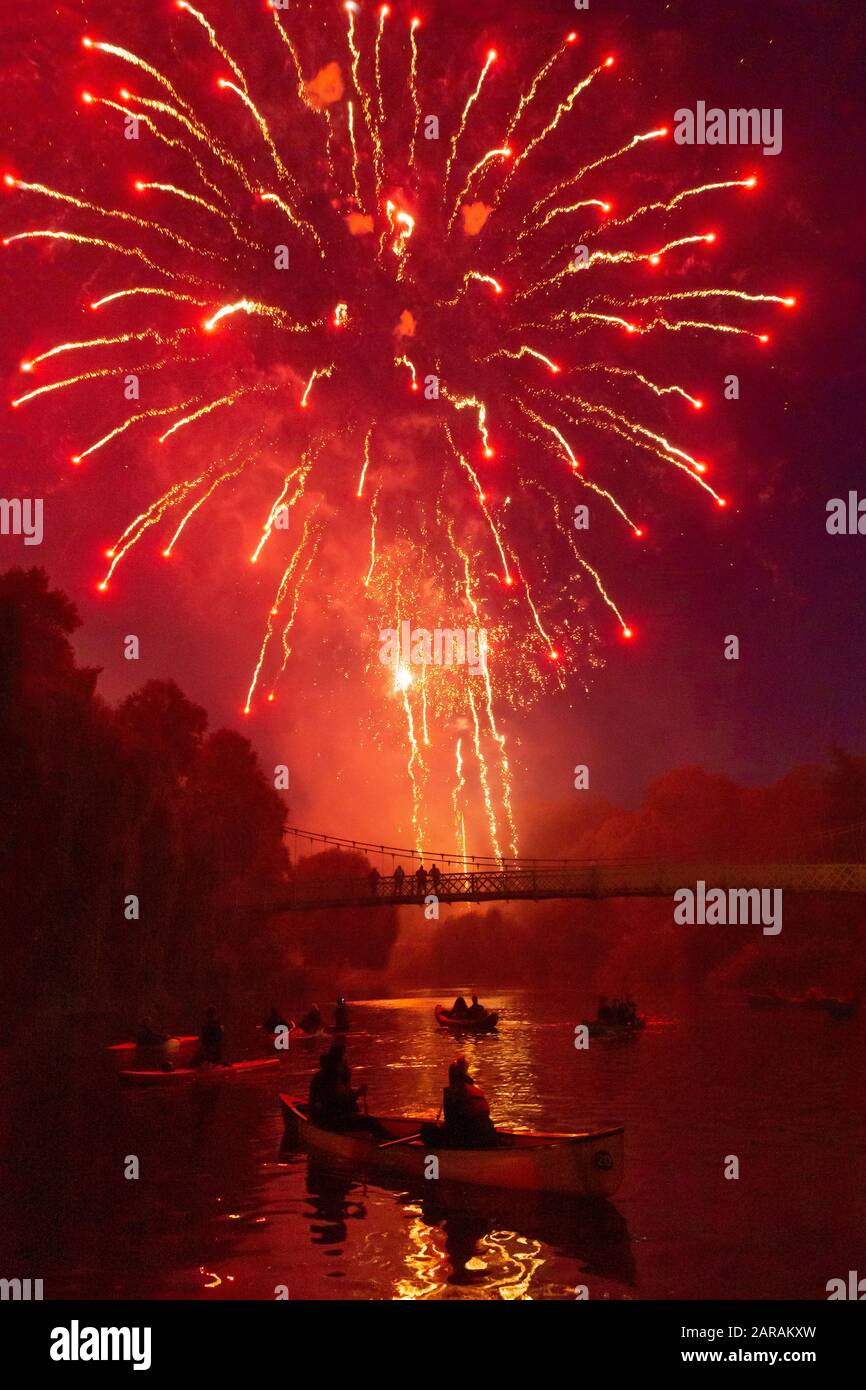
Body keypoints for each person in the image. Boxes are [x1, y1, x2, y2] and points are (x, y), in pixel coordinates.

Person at [308, 1041, 367, 1130]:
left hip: (337, 1116)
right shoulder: (328, 1078)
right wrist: (358, 1093)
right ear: (337, 1061)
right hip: (328, 1119)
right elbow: (335, 1102)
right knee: (369, 1123)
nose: (346, 1061)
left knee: (368, 1121)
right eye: (344, 1058)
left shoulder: (339, 1076)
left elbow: (345, 1096)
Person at [441, 1056, 497, 1147]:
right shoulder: (474, 1089)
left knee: (427, 1130)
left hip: (469, 1140)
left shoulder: (454, 1092)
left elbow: (451, 1123)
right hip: (489, 1135)